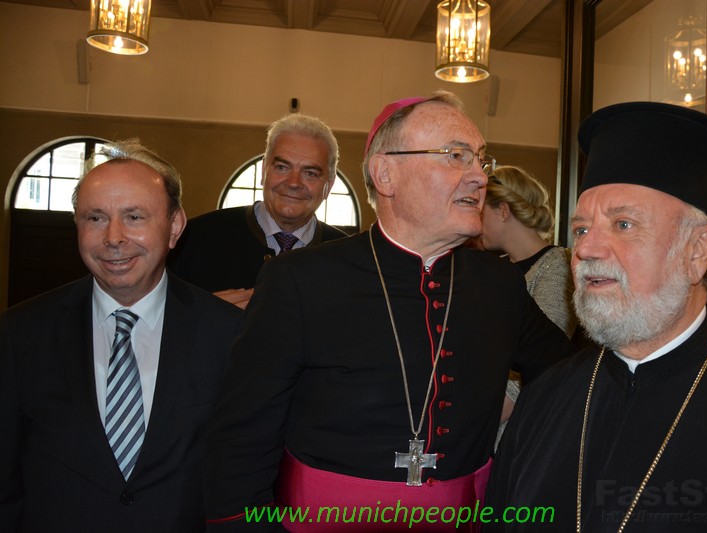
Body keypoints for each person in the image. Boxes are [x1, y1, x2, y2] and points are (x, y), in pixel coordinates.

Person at [202, 91, 574, 531]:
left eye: (480, 159)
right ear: (386, 174)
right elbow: (241, 438)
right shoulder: (300, 279)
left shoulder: (498, 283)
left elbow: (570, 377)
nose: (478, 176)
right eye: (456, 155)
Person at [484, 102, 707, 532]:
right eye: (580, 229)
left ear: (697, 252)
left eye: (624, 225)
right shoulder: (545, 399)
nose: (587, 250)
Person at [0, 139, 242, 532]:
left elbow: (245, 471)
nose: (113, 237)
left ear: (175, 226)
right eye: (95, 218)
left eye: (134, 217)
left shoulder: (230, 335)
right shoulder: (20, 334)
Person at [168, 113, 348, 308]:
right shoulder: (191, 240)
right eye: (282, 167)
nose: (294, 183)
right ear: (263, 172)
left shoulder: (349, 259)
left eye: (310, 173)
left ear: (328, 186)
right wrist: (203, 314)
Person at [480, 165, 577, 446]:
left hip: (517, 430)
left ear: (503, 211)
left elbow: (542, 358)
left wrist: (481, 418)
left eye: (481, 211)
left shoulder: (557, 265)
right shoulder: (496, 269)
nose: (475, 222)